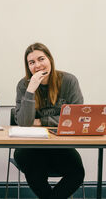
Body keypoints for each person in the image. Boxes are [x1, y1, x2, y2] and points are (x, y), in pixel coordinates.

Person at [13, 42, 85, 199]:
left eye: (41, 59)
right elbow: (24, 122)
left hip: (60, 144)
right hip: (31, 147)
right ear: (28, 66)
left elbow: (76, 118)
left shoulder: (68, 81)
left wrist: (41, 121)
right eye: (32, 62)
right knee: (33, 169)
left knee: (77, 172)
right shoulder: (23, 85)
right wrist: (31, 88)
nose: (37, 65)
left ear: (50, 60)